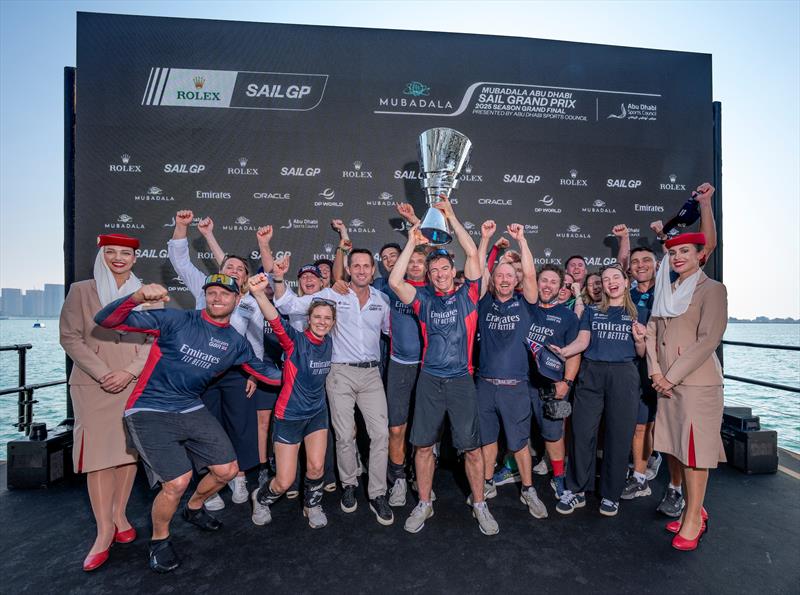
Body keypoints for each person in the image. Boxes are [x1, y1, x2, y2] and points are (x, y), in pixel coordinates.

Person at [94, 275, 281, 573]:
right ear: (205, 296)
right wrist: (136, 297)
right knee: (177, 481)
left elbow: (271, 376)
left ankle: (194, 508)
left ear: (237, 300)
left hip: (189, 406)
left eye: (225, 293)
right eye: (212, 292)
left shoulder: (235, 342)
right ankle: (159, 540)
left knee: (227, 470)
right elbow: (106, 320)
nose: (218, 297)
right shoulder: (176, 320)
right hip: (149, 408)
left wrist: (301, 362)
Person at [389, 198, 499, 536]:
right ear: (429, 273)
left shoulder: (469, 295)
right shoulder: (422, 299)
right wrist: (411, 242)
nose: (439, 274)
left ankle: (480, 503)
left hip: (461, 379)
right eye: (433, 270)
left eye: (444, 269)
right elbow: (395, 282)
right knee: (422, 446)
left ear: (453, 271)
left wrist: (452, 215)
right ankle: (424, 502)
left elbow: (474, 255)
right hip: (430, 379)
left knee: (472, 449)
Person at [272, 251, 395, 526]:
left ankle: (377, 493)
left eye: (366, 266)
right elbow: (288, 305)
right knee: (344, 436)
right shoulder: (333, 295)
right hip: (339, 373)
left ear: (373, 269)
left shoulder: (382, 300)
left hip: (372, 373)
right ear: (348, 269)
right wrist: (278, 278)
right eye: (356, 266)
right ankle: (349, 484)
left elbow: (392, 332)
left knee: (380, 435)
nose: (361, 270)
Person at [59, 233, 153, 572]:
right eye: (111, 252)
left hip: (133, 383)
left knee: (127, 453)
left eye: (124, 253)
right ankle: (103, 532)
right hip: (93, 385)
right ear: (102, 254)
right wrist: (103, 373)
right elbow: (69, 336)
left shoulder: (148, 294)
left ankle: (119, 515)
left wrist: (128, 372)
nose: (118, 258)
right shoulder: (82, 291)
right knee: (99, 458)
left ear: (134, 258)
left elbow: (154, 342)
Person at [168, 211, 268, 508]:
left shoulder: (251, 301)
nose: (235, 270)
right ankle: (209, 485)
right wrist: (182, 226)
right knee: (205, 427)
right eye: (229, 266)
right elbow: (180, 261)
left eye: (240, 268)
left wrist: (254, 374)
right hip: (203, 371)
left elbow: (257, 340)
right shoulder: (204, 286)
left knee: (240, 426)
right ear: (219, 269)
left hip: (239, 372)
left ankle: (237, 477)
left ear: (246, 277)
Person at [646, 232, 727, 551]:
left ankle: (693, 519)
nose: (678, 256)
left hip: (696, 384)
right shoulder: (667, 289)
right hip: (666, 383)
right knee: (676, 450)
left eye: (685, 251)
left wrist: (671, 376)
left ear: (699, 255)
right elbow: (653, 330)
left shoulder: (713, 290)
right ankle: (693, 509)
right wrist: (655, 371)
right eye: (673, 252)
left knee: (694, 453)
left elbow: (708, 339)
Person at [551, 264, 647, 518]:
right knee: (582, 433)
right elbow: (583, 342)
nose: (611, 282)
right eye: (606, 279)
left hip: (624, 375)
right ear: (601, 286)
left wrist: (639, 340)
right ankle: (577, 490)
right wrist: (564, 351)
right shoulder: (591, 311)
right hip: (591, 374)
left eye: (616, 277)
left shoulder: (640, 313)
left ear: (626, 282)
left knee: (618, 436)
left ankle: (611, 494)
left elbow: (643, 353)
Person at [248, 273, 335, 529]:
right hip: (289, 415)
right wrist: (258, 294)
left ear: (332, 323)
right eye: (317, 317)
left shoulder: (328, 342)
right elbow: (275, 320)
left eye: (327, 318)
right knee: (284, 481)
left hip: (317, 413)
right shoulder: (295, 341)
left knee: (317, 467)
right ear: (309, 319)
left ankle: (312, 505)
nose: (322, 322)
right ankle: (261, 498)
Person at [474, 221, 548, 519]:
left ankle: (528, 489)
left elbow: (530, 273)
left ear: (515, 279)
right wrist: (485, 239)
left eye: (509, 275)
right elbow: (477, 269)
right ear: (493, 280)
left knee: (519, 443)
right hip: (485, 384)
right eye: (499, 275)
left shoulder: (526, 302)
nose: (504, 279)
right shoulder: (482, 302)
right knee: (487, 441)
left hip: (516, 385)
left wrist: (522, 241)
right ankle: (488, 482)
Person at [525, 264, 581, 499]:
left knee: (553, 433)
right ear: (536, 283)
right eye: (544, 281)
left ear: (560, 288)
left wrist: (566, 383)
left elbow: (574, 353)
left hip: (553, 386)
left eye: (553, 282)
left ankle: (559, 477)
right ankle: (511, 469)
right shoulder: (524, 308)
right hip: (522, 381)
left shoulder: (568, 316)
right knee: (517, 430)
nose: (547, 286)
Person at [382, 243, 428, 507]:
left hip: (428, 367)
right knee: (396, 428)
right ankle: (398, 478)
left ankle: (418, 476)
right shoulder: (391, 286)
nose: (414, 265)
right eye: (409, 260)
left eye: (419, 261)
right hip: (399, 365)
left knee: (425, 429)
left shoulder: (435, 291)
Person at [620, 244, 661, 503]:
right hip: (632, 369)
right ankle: (639, 473)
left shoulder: (668, 292)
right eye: (635, 262)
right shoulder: (626, 296)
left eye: (646, 260)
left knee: (650, 426)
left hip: (660, 369)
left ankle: (644, 471)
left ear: (656, 264)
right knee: (638, 426)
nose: (641, 265)